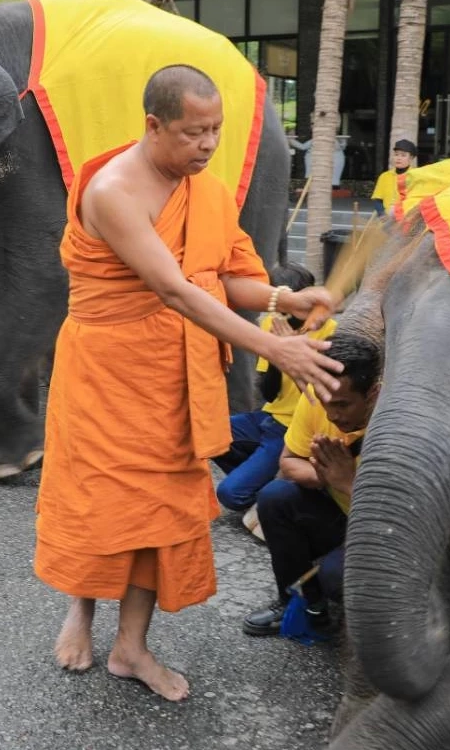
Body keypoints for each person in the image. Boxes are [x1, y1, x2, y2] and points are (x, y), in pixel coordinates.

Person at [33, 64, 343, 702]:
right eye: (193, 132)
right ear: (153, 125)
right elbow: (172, 288)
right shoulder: (113, 191)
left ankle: (131, 647)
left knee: (164, 508)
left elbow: (222, 278)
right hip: (105, 374)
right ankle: (81, 612)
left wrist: (286, 295)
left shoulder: (206, 189)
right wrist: (273, 348)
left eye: (216, 132)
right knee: (100, 499)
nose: (206, 146)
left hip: (173, 379)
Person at [242, 336, 381, 638]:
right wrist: (325, 474)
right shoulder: (317, 399)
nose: (332, 415)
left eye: (343, 405)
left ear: (373, 394)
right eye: (326, 402)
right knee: (275, 497)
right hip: (340, 516)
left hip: (384, 532)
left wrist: (348, 483)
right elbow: (289, 461)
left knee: (336, 575)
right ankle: (301, 604)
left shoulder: (395, 425)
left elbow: (404, 520)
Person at [212, 261, 337, 537]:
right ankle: (264, 485)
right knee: (210, 432)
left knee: (229, 494)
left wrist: (293, 351)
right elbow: (268, 392)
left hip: (293, 427)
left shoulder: (330, 331)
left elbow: (320, 394)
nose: (284, 312)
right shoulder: (271, 323)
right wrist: (277, 351)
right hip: (269, 418)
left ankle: (271, 494)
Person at [371, 137, 417, 217]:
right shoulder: (384, 176)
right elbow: (377, 199)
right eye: (396, 154)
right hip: (386, 220)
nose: (398, 158)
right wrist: (382, 214)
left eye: (403, 155)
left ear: (411, 158)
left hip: (406, 220)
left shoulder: (416, 177)